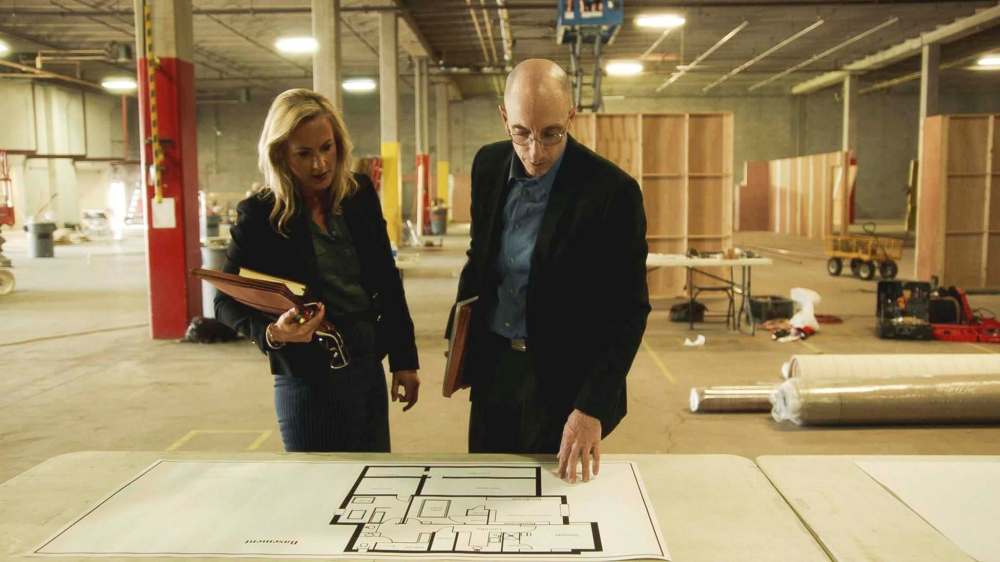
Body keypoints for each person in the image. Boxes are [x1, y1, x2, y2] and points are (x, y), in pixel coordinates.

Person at [449, 59, 650, 482]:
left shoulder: (611, 193)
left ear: (571, 116)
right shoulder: (488, 165)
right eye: (521, 133)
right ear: (504, 118)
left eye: (551, 134)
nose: (535, 152)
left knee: (550, 503)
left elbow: (629, 310)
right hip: (494, 373)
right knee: (487, 488)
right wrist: (461, 343)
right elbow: (479, 257)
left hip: (563, 383)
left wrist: (592, 407)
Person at [216, 88, 420, 453]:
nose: (319, 164)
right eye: (304, 154)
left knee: (372, 476)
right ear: (280, 154)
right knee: (313, 482)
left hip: (366, 367)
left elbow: (388, 281)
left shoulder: (358, 195)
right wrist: (273, 334)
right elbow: (224, 302)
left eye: (327, 148)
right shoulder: (260, 215)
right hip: (304, 380)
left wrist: (404, 360)